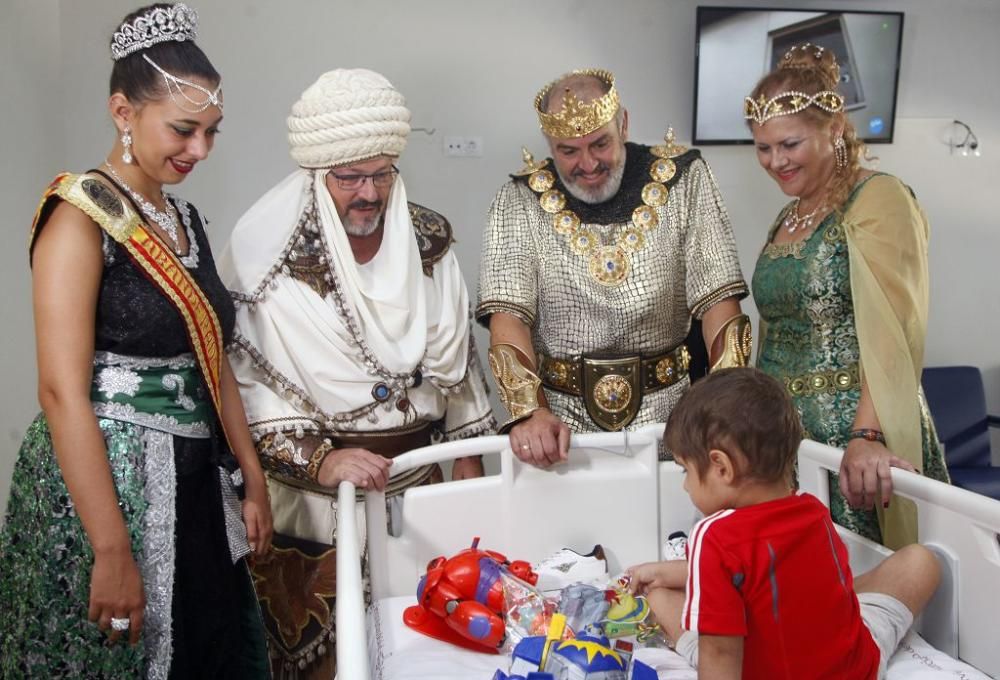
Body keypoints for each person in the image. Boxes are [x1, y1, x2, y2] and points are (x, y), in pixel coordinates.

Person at [0, 4, 272, 677]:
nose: (200, 150)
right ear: (123, 112)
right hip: (111, 486)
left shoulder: (185, 219)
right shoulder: (79, 213)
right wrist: (111, 550)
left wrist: (254, 477)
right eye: (184, 130)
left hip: (196, 480)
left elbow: (213, 361)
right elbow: (61, 391)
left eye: (211, 132)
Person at [220, 68, 496, 678]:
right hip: (316, 507)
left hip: (420, 498)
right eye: (349, 178)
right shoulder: (270, 259)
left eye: (381, 174)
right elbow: (246, 382)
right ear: (317, 176)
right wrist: (323, 459)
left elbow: (459, 368)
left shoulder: (430, 243)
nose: (368, 193)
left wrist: (470, 473)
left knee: (430, 655)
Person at [477, 68, 751, 468]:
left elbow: (719, 300)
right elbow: (508, 316)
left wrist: (727, 404)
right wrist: (528, 413)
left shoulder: (685, 177)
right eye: (568, 151)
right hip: (559, 417)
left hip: (670, 411)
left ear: (623, 123)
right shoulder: (519, 198)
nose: (587, 164)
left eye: (600, 144)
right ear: (549, 144)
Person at [745, 43, 949, 548]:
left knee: (866, 586)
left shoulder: (878, 197)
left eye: (789, 144)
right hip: (787, 442)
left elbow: (895, 332)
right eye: (763, 148)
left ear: (834, 129)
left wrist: (867, 436)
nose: (775, 162)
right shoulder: (789, 216)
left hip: (853, 440)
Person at [627, 368, 941, 679]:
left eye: (685, 471)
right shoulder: (813, 512)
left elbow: (720, 652)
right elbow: (752, 570)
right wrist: (663, 571)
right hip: (857, 669)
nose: (685, 486)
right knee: (921, 560)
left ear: (721, 467)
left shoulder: (713, 538)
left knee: (660, 598)